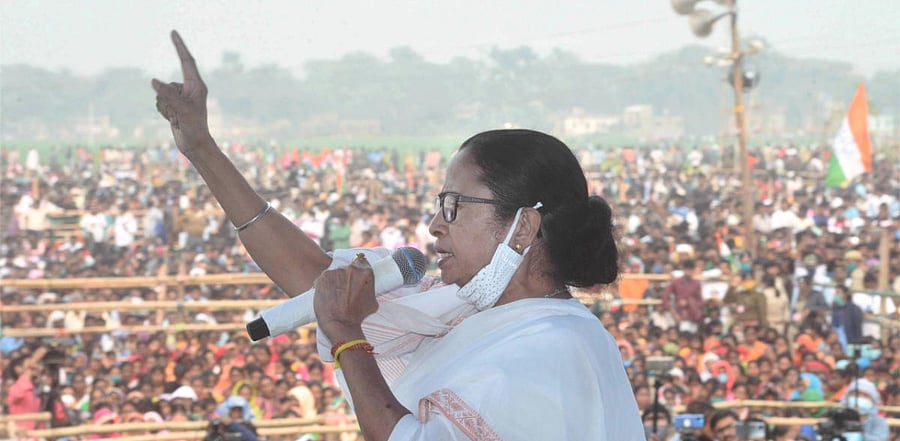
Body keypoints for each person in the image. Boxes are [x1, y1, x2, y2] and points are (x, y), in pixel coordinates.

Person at [152, 30, 642, 440]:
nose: (435, 225)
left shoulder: (552, 346)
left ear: (523, 228)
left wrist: (347, 338)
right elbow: (317, 281)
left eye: (454, 206)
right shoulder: (461, 313)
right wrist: (201, 148)